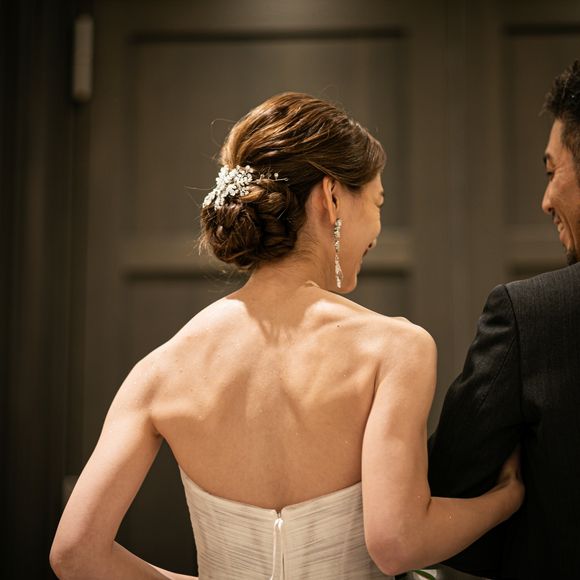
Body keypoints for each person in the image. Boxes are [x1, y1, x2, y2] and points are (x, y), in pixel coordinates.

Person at [49, 92, 523, 580]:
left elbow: (74, 553)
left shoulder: (159, 370)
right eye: (377, 202)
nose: (378, 228)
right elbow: (396, 542)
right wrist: (504, 500)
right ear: (331, 197)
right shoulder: (394, 349)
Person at [428, 61, 580, 579]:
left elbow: (451, 484)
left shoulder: (532, 315)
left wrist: (515, 499)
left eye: (552, 172)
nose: (545, 200)